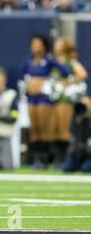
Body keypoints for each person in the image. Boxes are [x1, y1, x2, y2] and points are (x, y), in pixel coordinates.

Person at [21, 35, 70, 168]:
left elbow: (65, 71)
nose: (34, 46)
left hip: (43, 96)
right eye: (33, 44)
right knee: (34, 128)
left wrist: (49, 81)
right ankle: (37, 158)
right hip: (32, 97)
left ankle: (46, 158)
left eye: (37, 44)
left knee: (44, 128)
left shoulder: (48, 60)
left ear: (43, 45)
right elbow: (22, 75)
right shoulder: (29, 60)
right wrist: (28, 85)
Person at [51, 37, 88, 166]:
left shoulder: (70, 61)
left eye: (59, 43)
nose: (56, 45)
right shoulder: (53, 60)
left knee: (65, 128)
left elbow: (82, 74)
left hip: (65, 98)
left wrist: (67, 82)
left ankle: (68, 156)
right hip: (53, 97)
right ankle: (57, 156)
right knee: (54, 129)